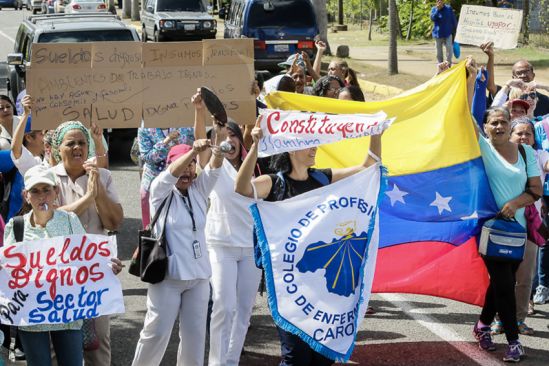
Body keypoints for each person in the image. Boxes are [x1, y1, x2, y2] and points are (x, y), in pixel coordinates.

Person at [234, 120, 382, 365]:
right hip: (289, 287)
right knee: (296, 357)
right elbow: (241, 187)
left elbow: (370, 165)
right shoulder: (275, 183)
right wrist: (256, 146)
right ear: (292, 148)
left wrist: (376, 133)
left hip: (321, 288)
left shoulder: (323, 178)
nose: (315, 149)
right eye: (309, 144)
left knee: (322, 357)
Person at [131, 132, 225, 366]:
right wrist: (193, 151)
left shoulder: (198, 190)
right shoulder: (160, 189)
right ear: (170, 166)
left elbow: (214, 168)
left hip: (199, 276)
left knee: (194, 339)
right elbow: (172, 173)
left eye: (192, 165)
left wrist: (219, 144)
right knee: (156, 333)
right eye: (184, 164)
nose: (188, 170)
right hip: (168, 276)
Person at [191, 91, 262, 366]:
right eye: (224, 135)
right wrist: (199, 111)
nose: (229, 139)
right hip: (220, 244)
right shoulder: (215, 165)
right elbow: (202, 147)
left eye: (234, 135)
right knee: (223, 305)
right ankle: (217, 362)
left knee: (243, 311)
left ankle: (230, 361)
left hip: (250, 248)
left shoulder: (253, 166)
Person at [49, 120, 123, 366]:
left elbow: (114, 222)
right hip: (58, 274)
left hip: (95, 274)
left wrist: (97, 190)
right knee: (58, 342)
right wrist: (87, 198)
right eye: (71, 143)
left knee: (98, 342)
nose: (78, 148)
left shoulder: (102, 176)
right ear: (58, 148)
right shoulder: (47, 179)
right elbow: (51, 221)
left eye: (82, 143)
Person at [137, 126, 194, 228]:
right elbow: (147, 157)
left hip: (182, 178)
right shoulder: (145, 128)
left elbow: (193, 149)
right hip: (154, 179)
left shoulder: (185, 125)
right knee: (148, 210)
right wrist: (166, 141)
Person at [430, 0, 457, 65]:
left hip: (448, 32)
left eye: (441, 0)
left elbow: (453, 19)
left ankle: (448, 64)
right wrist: (437, 10)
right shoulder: (434, 9)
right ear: (436, 2)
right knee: (438, 52)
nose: (439, 2)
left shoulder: (448, 8)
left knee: (449, 49)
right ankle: (440, 64)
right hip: (438, 33)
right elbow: (432, 18)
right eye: (438, 1)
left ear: (443, 1)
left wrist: (456, 29)